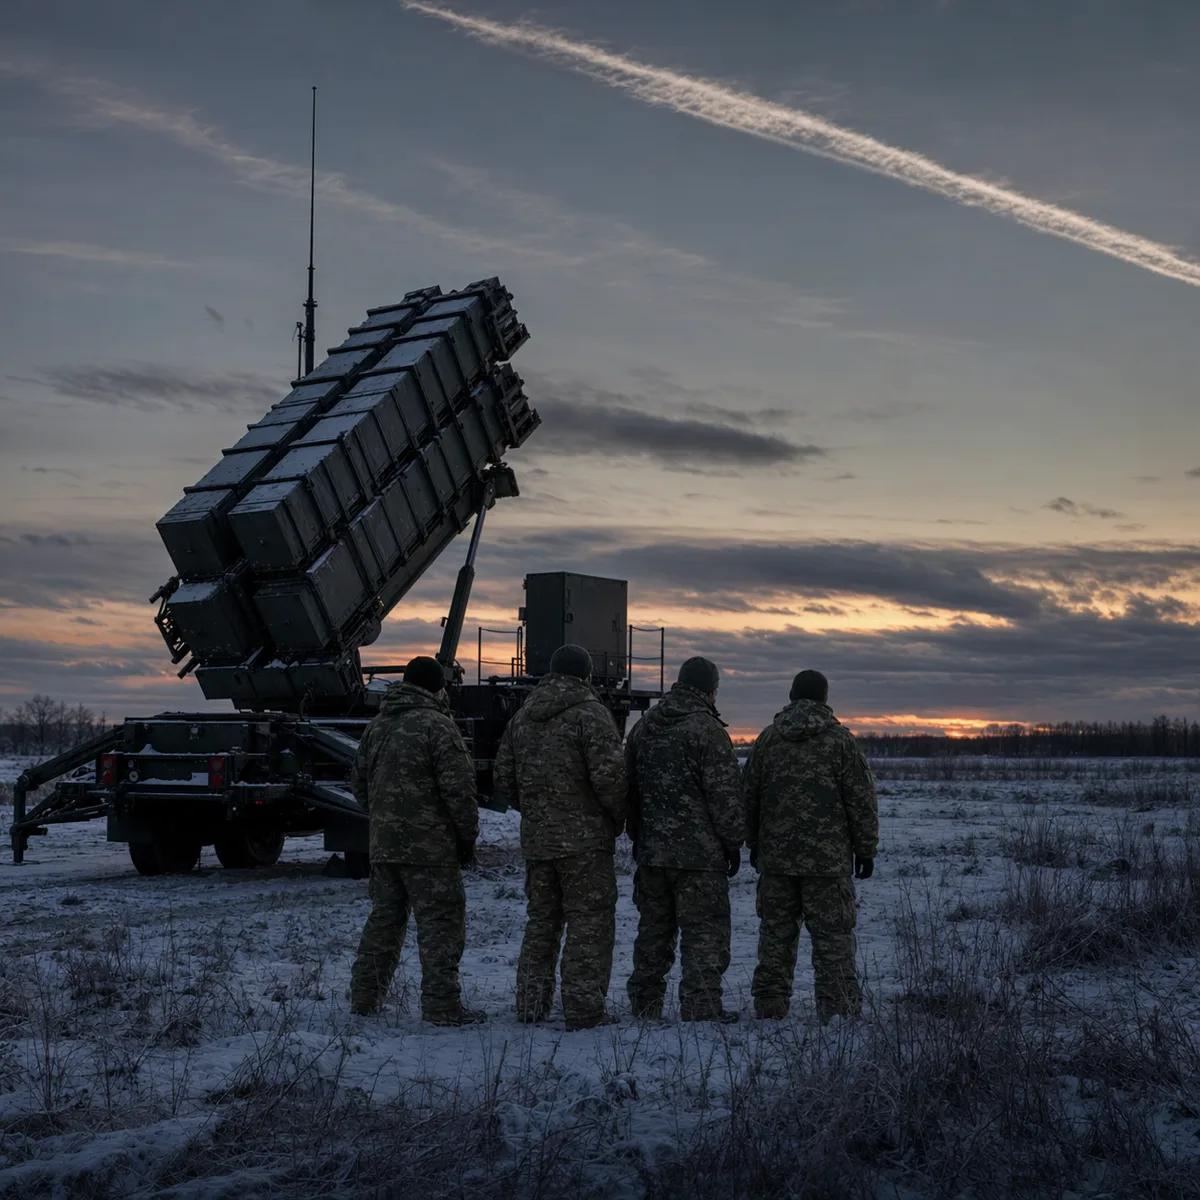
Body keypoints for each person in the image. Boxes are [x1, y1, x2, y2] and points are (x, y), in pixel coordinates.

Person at [493, 643, 626, 1030]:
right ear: (586, 675)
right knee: (589, 923)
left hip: (538, 842)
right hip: (585, 845)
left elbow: (503, 779)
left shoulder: (523, 717)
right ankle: (584, 1010)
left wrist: (536, 813)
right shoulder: (591, 715)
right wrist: (613, 820)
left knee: (542, 923)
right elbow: (610, 780)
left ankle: (531, 1005)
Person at [348, 655, 483, 1025]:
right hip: (431, 851)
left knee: (384, 923)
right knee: (440, 927)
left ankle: (364, 999)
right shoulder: (438, 727)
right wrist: (465, 840)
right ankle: (441, 1006)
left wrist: (384, 819)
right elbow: (460, 794)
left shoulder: (378, 726)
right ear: (438, 687)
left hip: (385, 847)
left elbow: (358, 784)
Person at [744, 669, 878, 1022]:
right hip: (828, 863)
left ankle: (770, 1006)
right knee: (833, 938)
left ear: (790, 695)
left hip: (776, 860)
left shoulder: (768, 740)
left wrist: (753, 844)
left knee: (775, 935)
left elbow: (749, 797)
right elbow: (861, 800)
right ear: (825, 697)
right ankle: (838, 1009)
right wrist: (865, 849)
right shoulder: (841, 742)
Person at [625, 656, 745, 1022]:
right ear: (711, 690)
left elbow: (627, 788)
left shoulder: (644, 728)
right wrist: (733, 842)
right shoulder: (707, 732)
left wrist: (638, 834)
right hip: (699, 858)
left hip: (652, 853)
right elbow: (724, 798)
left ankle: (645, 1005)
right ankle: (701, 1006)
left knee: (653, 934)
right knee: (705, 934)